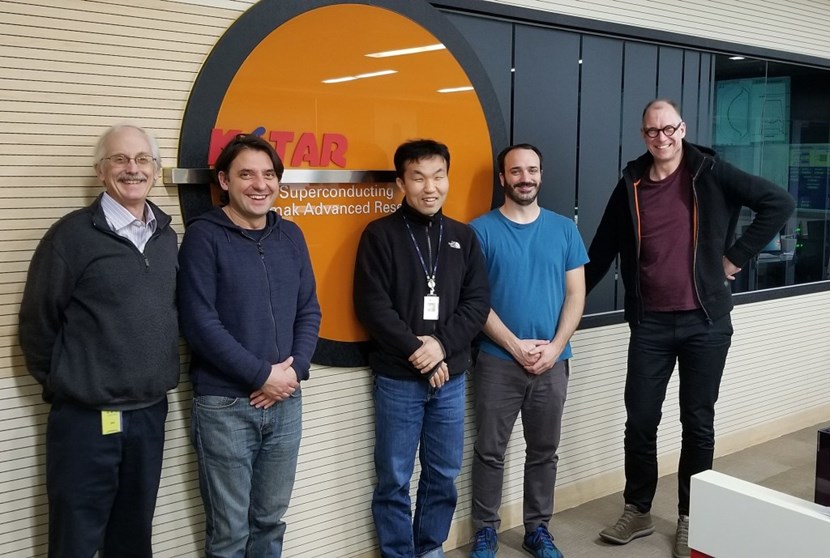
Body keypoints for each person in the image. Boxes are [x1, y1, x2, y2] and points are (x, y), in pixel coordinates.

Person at [586, 99, 795, 558]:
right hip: (651, 325)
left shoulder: (711, 173)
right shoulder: (631, 184)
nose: (661, 138)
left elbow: (778, 203)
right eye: (652, 131)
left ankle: (691, 516)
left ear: (682, 129)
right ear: (643, 135)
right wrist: (565, 301)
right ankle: (638, 510)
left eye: (668, 129)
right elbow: (600, 250)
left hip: (706, 323)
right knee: (640, 421)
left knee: (697, 423)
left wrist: (735, 257)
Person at [18, 124, 180, 557]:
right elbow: (38, 323)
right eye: (120, 160)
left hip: (148, 415)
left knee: (133, 538)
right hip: (86, 421)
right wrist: (68, 384)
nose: (132, 169)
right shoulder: (70, 236)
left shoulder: (167, 237)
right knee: (75, 539)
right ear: (100, 170)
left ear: (155, 168)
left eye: (142, 159)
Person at [177, 134, 321, 557]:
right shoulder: (204, 237)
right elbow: (200, 324)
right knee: (228, 533)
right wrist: (263, 376)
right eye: (246, 174)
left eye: (269, 174)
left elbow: (309, 310)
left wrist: (293, 373)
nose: (260, 184)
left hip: (286, 400)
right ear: (223, 180)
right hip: (225, 406)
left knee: (270, 522)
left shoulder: (291, 235)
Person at [353, 139, 490, 558]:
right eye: (418, 177)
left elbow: (477, 303)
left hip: (451, 377)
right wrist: (420, 352)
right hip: (398, 378)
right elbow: (372, 306)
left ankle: (430, 549)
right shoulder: (379, 235)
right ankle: (399, 553)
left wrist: (441, 347)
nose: (430, 187)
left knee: (443, 473)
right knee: (394, 476)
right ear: (401, 182)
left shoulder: (464, 237)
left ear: (448, 178)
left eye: (438, 175)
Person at [467, 144, 588, 558]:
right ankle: (485, 531)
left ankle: (538, 529)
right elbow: (475, 302)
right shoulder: (479, 232)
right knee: (489, 452)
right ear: (502, 178)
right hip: (497, 361)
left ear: (541, 175)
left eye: (532, 170)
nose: (525, 178)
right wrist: (514, 345)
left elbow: (576, 294)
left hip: (553, 363)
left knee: (544, 452)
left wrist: (555, 347)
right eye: (516, 171)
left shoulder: (564, 230)